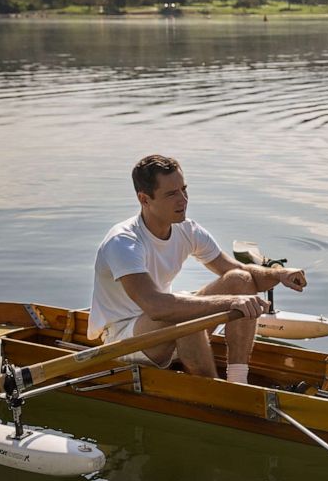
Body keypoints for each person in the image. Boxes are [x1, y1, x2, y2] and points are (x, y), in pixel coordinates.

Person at [87, 155, 307, 384]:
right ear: (144, 199)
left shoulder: (187, 230)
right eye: (171, 194)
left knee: (239, 280)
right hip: (122, 341)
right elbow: (156, 307)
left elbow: (244, 274)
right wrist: (231, 303)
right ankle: (215, 393)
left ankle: (238, 382)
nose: (183, 200)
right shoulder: (124, 242)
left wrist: (279, 274)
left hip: (160, 329)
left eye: (184, 189)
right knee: (185, 312)